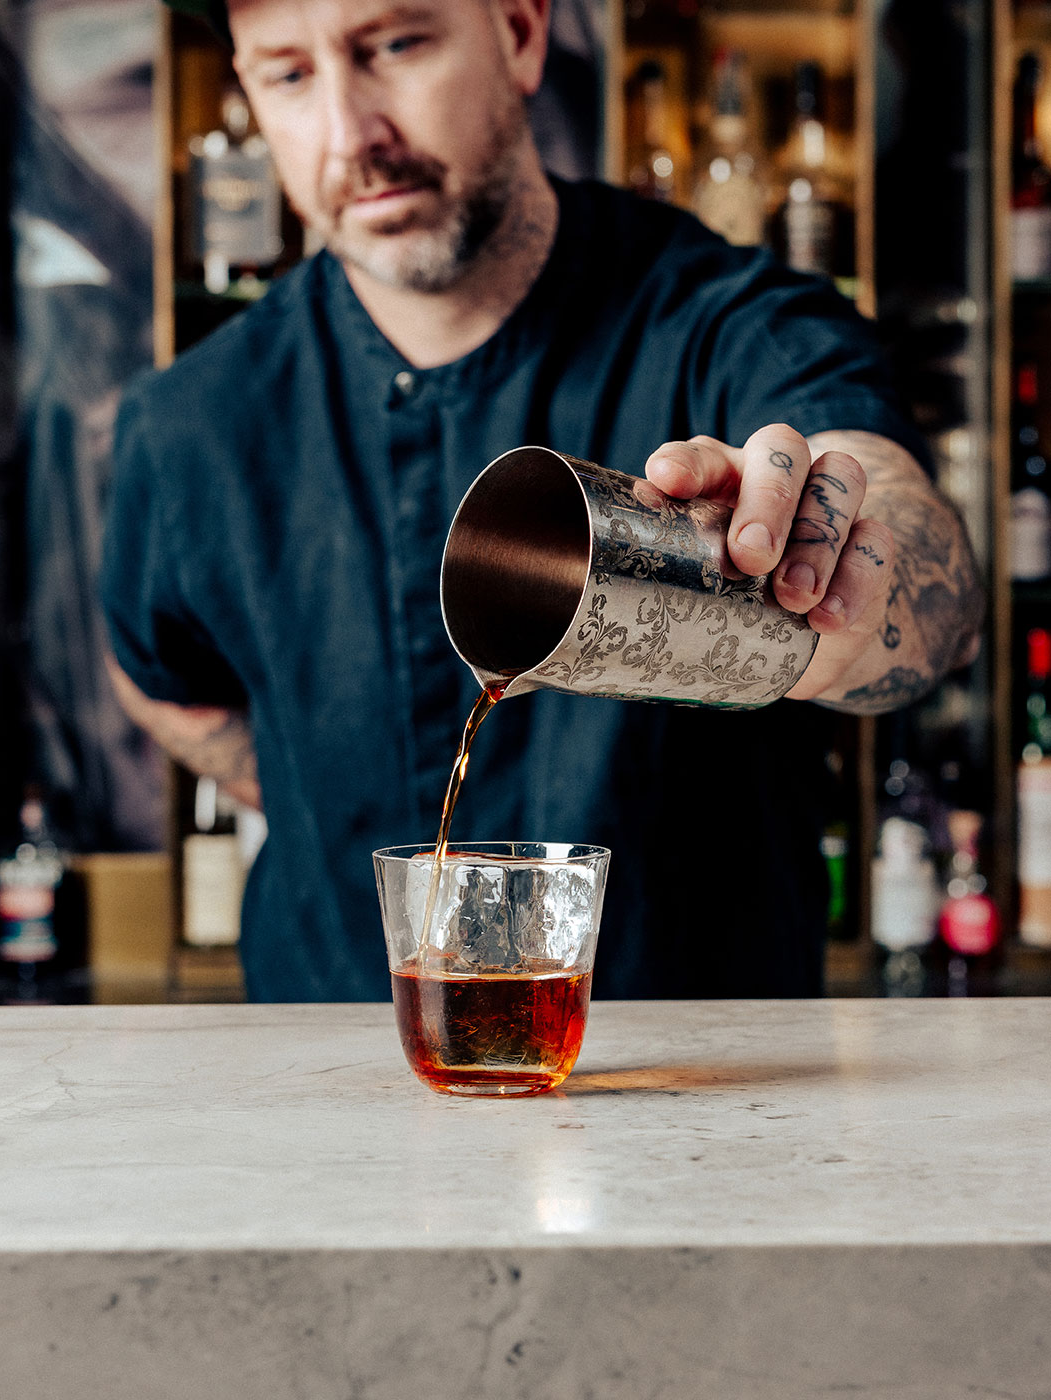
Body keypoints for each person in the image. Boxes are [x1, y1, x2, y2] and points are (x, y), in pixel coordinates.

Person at [101, 0, 982, 1001]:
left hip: (711, 1107)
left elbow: (924, 571)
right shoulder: (190, 420)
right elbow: (155, 673)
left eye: (391, 45)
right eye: (288, 74)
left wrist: (846, 593)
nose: (351, 134)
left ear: (519, 33)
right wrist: (289, 774)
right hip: (330, 1087)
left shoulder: (732, 325)